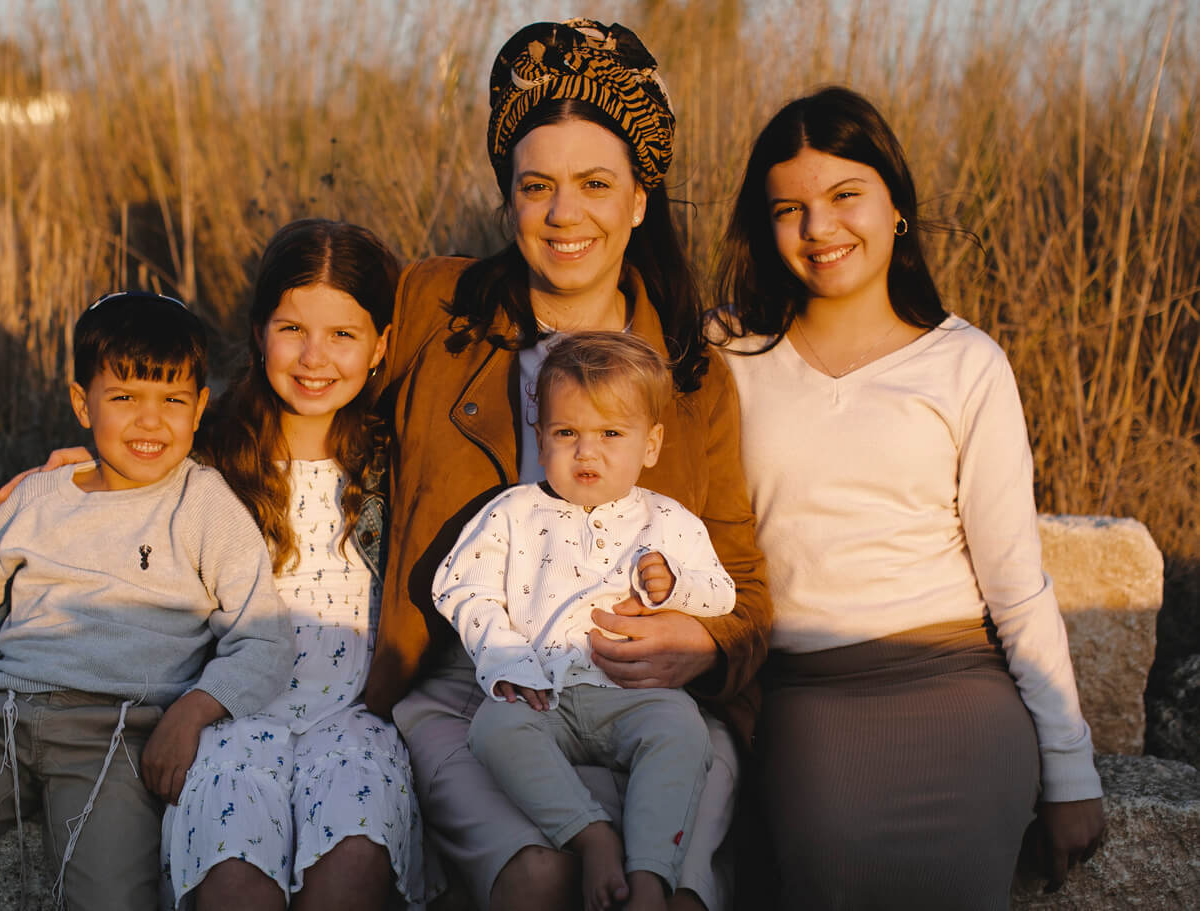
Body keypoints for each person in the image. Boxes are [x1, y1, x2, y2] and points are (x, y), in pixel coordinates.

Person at [361, 19, 772, 911]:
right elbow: (308, 381)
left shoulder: (692, 378)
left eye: (595, 184)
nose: (562, 214)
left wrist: (698, 641)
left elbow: (744, 587)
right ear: (507, 197)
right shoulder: (439, 311)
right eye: (535, 185)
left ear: (637, 198)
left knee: (661, 881)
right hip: (471, 689)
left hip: (642, 694)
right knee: (541, 877)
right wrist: (118, 458)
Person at [714, 86, 1105, 909]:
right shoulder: (733, 364)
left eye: (844, 195)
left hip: (960, 698)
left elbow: (1015, 582)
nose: (819, 229)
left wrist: (1070, 770)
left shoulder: (966, 364)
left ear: (895, 205)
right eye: (789, 208)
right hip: (809, 705)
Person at [0, 220, 424, 910]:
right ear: (255, 333)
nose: (315, 357)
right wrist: (83, 471)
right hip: (224, 716)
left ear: (381, 346)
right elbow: (61, 551)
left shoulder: (396, 463)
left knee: (352, 864)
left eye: (342, 333)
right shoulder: (199, 456)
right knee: (233, 879)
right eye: (291, 329)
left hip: (353, 719)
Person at [0, 291, 294, 911]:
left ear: (198, 409)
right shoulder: (41, 499)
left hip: (111, 743)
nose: (150, 421)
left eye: (171, 401)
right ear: (83, 403)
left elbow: (264, 636)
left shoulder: (205, 506)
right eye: (125, 398)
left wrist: (193, 710)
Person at [434, 332, 738, 911]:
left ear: (651, 445)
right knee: (492, 731)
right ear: (540, 438)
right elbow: (460, 585)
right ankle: (589, 833)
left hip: (635, 694)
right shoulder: (514, 512)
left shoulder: (667, 521)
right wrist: (505, 660)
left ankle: (650, 874)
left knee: (683, 733)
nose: (587, 452)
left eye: (611, 435)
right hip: (541, 693)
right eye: (566, 433)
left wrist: (676, 583)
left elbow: (721, 594)